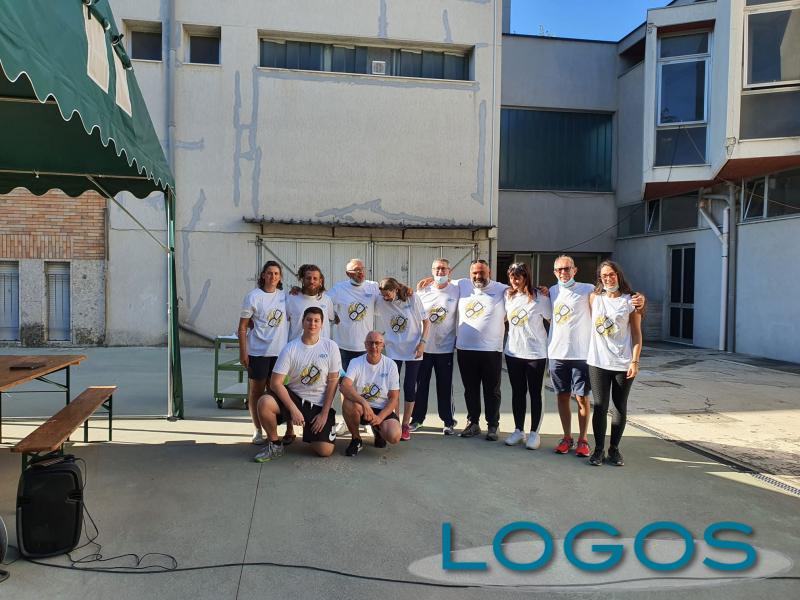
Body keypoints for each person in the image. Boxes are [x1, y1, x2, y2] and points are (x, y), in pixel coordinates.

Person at [548, 255, 644, 457]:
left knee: (586, 399)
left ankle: (586, 441)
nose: (563, 272)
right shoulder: (552, 292)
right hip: (563, 355)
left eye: (567, 268)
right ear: (554, 272)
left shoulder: (588, 291)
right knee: (567, 398)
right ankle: (568, 438)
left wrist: (641, 300)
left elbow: (636, 321)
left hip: (584, 356)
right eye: (559, 269)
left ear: (575, 270)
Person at [253, 307, 342, 462]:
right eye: (309, 320)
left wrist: (324, 413)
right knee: (264, 402)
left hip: (318, 405)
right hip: (295, 398)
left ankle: (310, 430)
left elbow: (333, 381)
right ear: (302, 322)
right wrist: (293, 409)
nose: (312, 324)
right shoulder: (290, 348)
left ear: (322, 324)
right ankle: (275, 445)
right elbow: (275, 383)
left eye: (316, 321)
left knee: (325, 451)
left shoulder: (331, 347)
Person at [587, 261, 643, 467]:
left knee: (619, 406)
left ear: (618, 275)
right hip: (598, 362)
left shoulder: (630, 301)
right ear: (600, 279)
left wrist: (635, 361)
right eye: (604, 276)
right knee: (600, 406)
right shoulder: (594, 298)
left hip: (622, 363)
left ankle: (614, 449)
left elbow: (637, 334)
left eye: (611, 274)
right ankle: (598, 450)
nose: (608, 279)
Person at [238, 261, 291, 446]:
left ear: (280, 277)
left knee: (278, 391)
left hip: (280, 354)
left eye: (276, 273)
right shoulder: (253, 296)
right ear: (263, 275)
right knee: (256, 392)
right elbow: (242, 327)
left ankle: (279, 430)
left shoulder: (285, 296)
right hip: (258, 353)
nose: (273, 276)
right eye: (269, 273)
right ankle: (257, 429)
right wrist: (243, 352)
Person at [455, 259, 508, 441]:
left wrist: (542, 290)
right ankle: (473, 423)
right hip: (465, 349)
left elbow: (522, 292)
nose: (478, 276)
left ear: (489, 273)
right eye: (474, 273)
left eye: (482, 273)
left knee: (492, 390)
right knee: (470, 389)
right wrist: (428, 282)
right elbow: (441, 282)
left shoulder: (502, 289)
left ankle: (493, 425)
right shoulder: (462, 285)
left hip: (491, 350)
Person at [503, 262, 551, 450]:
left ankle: (534, 433)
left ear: (526, 277)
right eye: (512, 277)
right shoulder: (508, 296)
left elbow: (553, 320)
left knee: (535, 393)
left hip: (536, 354)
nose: (514, 281)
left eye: (518, 277)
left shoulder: (541, 297)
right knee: (518, 392)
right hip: (513, 352)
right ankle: (518, 430)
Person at [375, 277, 429, 441]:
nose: (385, 298)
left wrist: (422, 343)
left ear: (396, 290)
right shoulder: (381, 300)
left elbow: (426, 323)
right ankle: (395, 420)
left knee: (409, 386)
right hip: (393, 350)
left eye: (388, 294)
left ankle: (406, 424)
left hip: (413, 349)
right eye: (383, 295)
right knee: (393, 387)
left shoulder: (412, 298)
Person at [410, 258, 459, 435]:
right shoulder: (423, 290)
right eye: (437, 269)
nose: (440, 272)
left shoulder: (457, 289)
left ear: (449, 271)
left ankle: (448, 421)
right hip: (424, 348)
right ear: (432, 271)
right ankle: (417, 419)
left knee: (444, 386)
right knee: (420, 385)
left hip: (445, 348)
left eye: (443, 269)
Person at [340, 331, 402, 456]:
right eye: (370, 343)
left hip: (382, 409)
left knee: (394, 436)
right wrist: (364, 403)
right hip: (362, 408)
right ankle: (356, 439)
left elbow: (394, 397)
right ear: (365, 345)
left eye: (377, 343)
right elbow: (344, 386)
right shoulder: (356, 362)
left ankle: (378, 431)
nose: (374, 346)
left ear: (383, 345)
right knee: (348, 403)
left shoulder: (391, 365)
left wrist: (380, 418)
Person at [327, 258, 379, 371]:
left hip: (366, 346)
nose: (360, 272)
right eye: (356, 270)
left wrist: (405, 290)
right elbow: (324, 302)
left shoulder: (373, 286)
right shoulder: (339, 288)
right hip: (344, 346)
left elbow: (389, 292)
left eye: (362, 269)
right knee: (344, 379)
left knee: (364, 379)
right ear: (348, 274)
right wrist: (333, 316)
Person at [285, 264, 336, 341]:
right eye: (308, 278)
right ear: (303, 279)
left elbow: (332, 318)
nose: (311, 281)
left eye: (315, 278)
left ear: (320, 281)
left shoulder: (327, 300)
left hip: (322, 346)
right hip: (298, 346)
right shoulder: (291, 298)